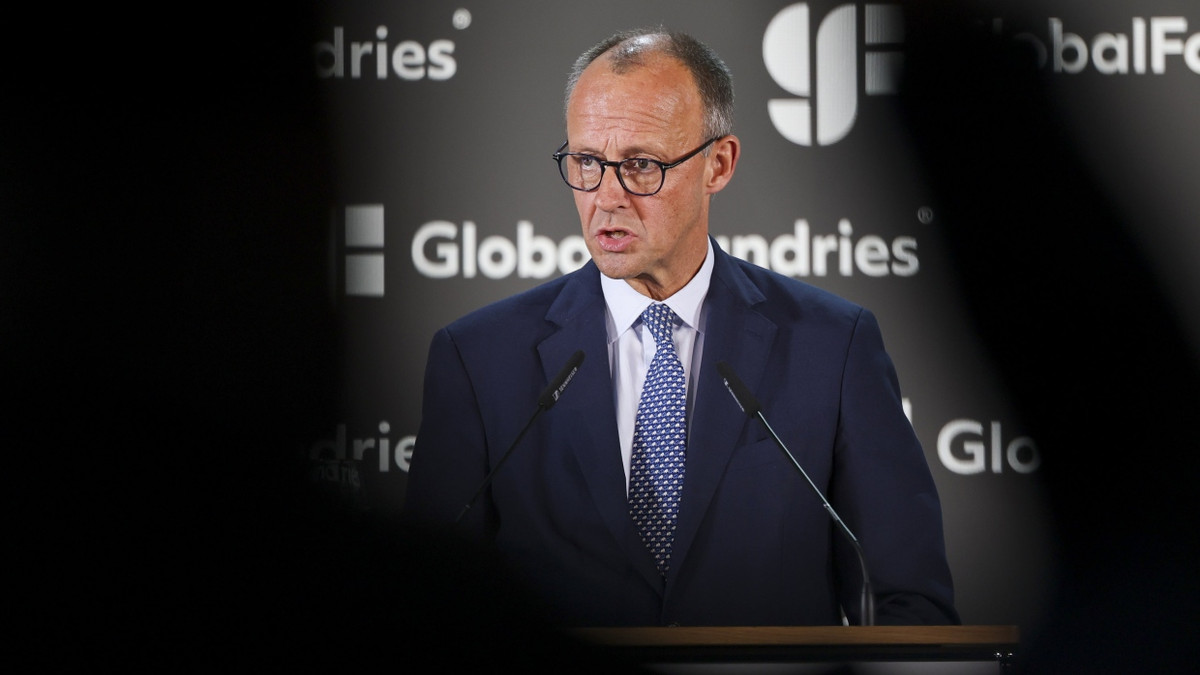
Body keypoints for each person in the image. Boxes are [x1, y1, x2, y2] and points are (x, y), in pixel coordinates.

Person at [404, 27, 959, 628]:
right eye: (587, 161)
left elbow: (909, 604)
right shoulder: (479, 359)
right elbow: (430, 601)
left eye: (640, 166)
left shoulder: (833, 348)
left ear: (717, 164)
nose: (606, 197)